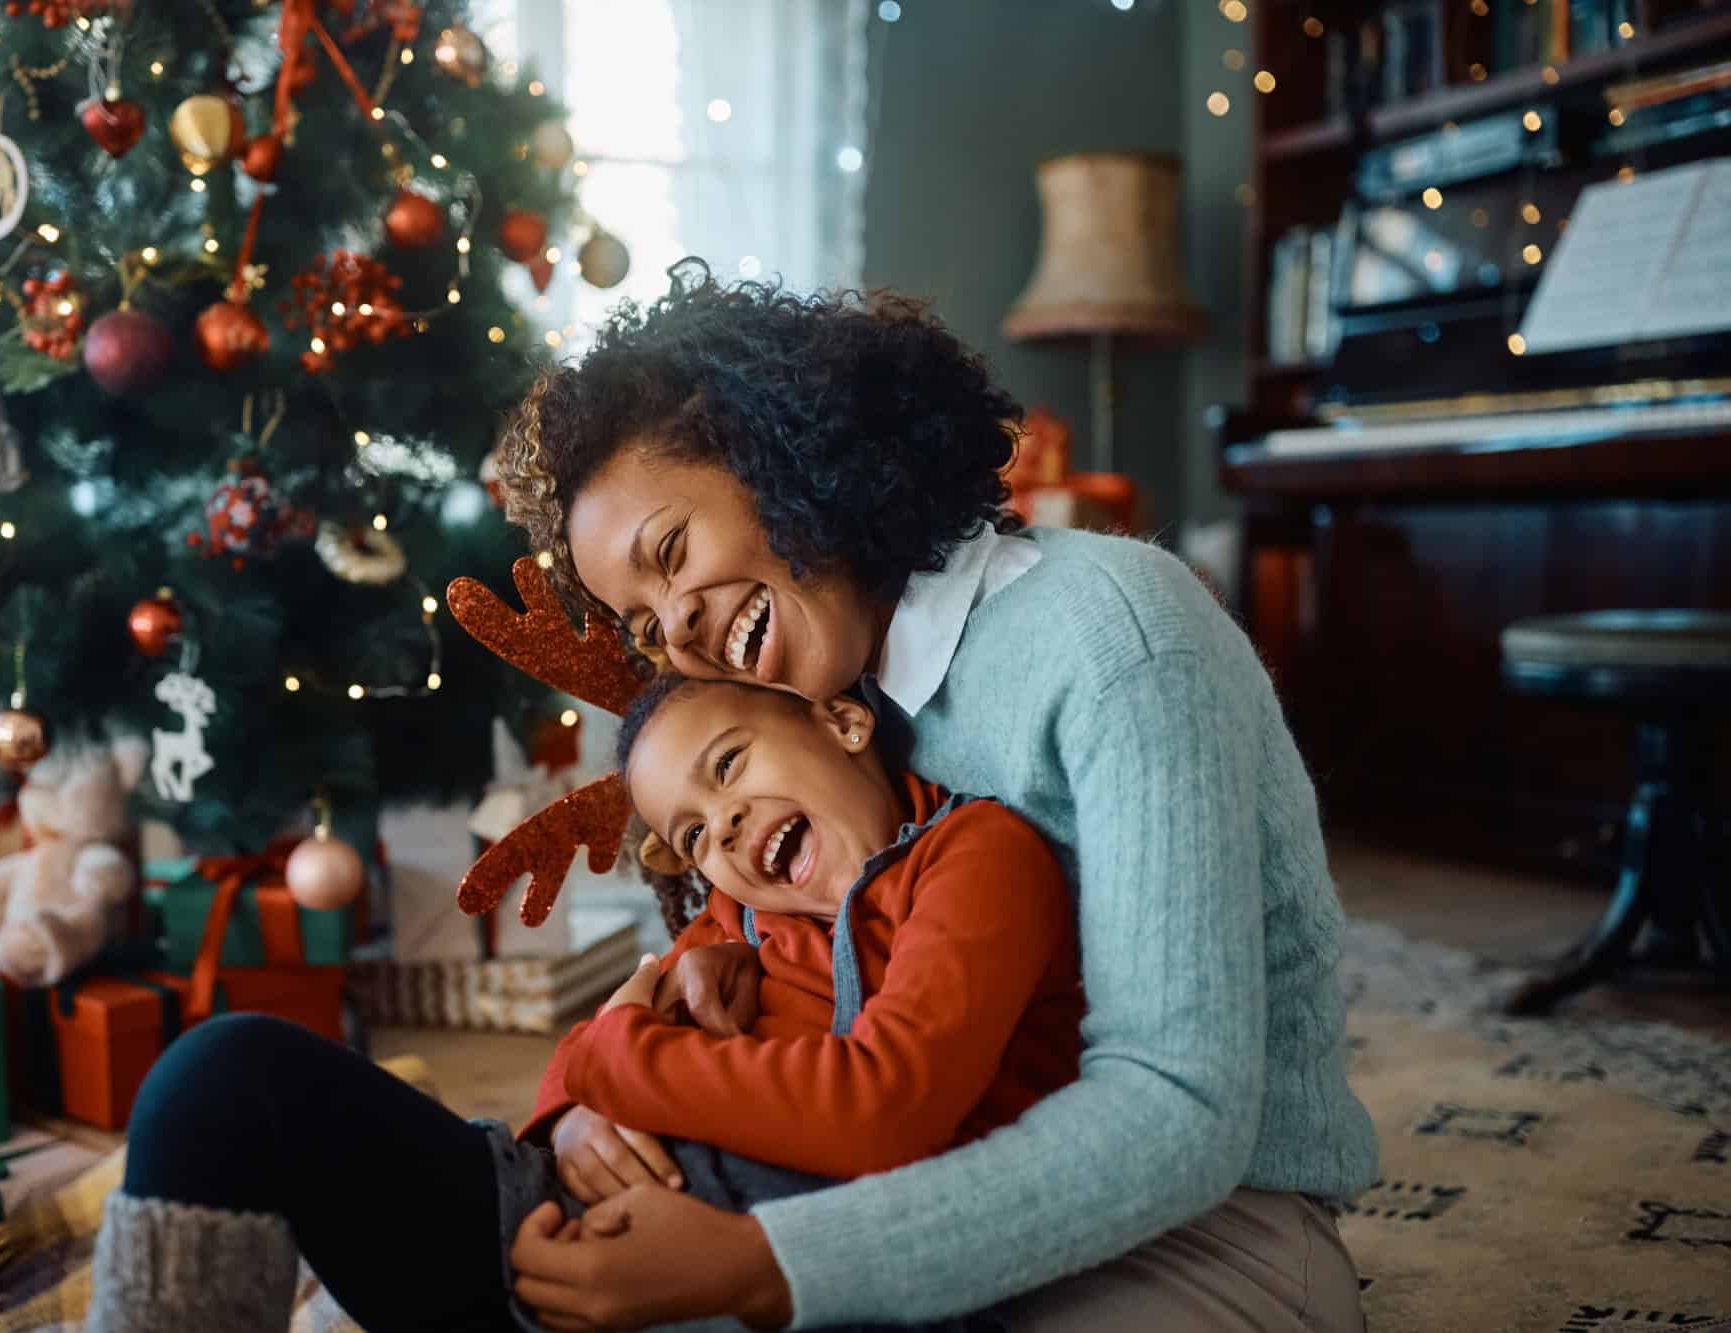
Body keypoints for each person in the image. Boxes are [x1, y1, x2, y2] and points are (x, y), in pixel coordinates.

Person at [494, 261, 1378, 1332]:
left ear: (773, 452)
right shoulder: (824, 694)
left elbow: (1178, 1112)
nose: (674, 631)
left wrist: (768, 1264)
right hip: (909, 1176)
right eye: (643, 624)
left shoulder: (1116, 641)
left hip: (1207, 1226)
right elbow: (701, 971)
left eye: (670, 554)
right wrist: (584, 1110)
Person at [86, 671, 1085, 1333]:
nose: (724, 830)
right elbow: (596, 1049)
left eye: (730, 764)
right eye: (692, 837)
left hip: (771, 1280)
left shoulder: (972, 853)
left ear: (841, 718)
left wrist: (612, 1054)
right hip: (546, 1234)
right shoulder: (742, 905)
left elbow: (884, 1107)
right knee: (223, 1073)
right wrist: (571, 1107)